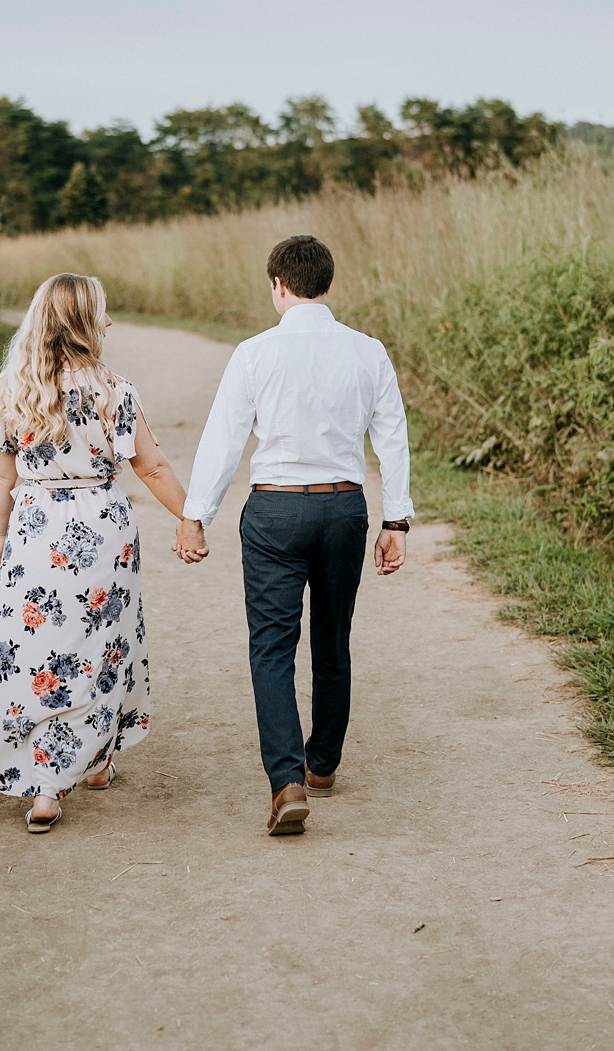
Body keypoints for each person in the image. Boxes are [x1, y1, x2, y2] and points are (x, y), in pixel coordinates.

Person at [0, 273, 207, 833]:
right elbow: (151, 466)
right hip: (102, 527)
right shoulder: (115, 391)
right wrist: (189, 519)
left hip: (36, 528)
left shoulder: (14, 391)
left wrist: (0, 536)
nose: (109, 322)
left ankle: (55, 782)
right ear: (85, 324)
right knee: (100, 646)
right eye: (102, 313)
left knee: (37, 651)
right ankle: (74, 767)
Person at [174, 234, 412, 836]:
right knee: (333, 639)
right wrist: (396, 521)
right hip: (343, 510)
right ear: (326, 285)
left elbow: (225, 437)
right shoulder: (367, 351)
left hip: (276, 512)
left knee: (272, 648)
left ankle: (287, 782)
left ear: (278, 285)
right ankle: (324, 762)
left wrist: (195, 513)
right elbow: (392, 438)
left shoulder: (254, 353)